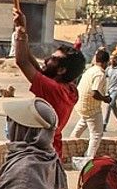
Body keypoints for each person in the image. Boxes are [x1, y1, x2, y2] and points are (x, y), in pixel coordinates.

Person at [11, 10, 83, 157]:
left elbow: (22, 61)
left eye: (53, 59)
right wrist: (23, 33)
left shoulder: (54, 90)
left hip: (40, 153)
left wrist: (20, 31)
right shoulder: (70, 89)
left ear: (62, 70)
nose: (46, 60)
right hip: (52, 150)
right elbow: (37, 69)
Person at [67, 49, 111, 160]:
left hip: (81, 104)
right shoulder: (100, 74)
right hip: (91, 107)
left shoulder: (90, 70)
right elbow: (94, 92)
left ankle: (70, 143)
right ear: (106, 62)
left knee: (83, 123)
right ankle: (88, 158)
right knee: (96, 135)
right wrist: (105, 99)